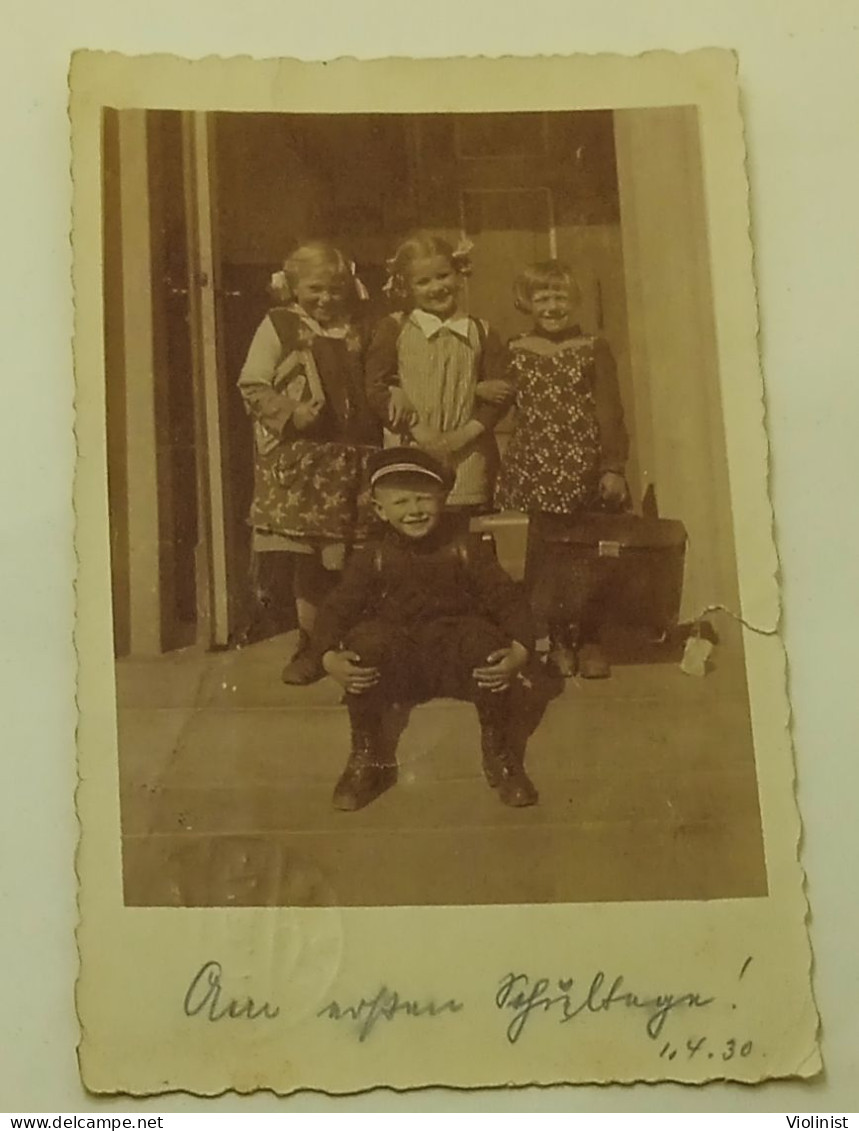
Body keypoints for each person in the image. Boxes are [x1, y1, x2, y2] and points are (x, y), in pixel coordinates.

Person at [306, 447, 539, 812]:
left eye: (423, 499)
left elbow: (508, 599)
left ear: (443, 499)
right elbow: (337, 609)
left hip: (455, 661)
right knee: (363, 644)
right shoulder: (372, 557)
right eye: (401, 502)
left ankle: (499, 750)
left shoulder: (467, 548)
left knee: (487, 645)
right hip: (398, 665)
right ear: (381, 510)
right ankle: (366, 754)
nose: (414, 511)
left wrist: (520, 652)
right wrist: (328, 657)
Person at [237, 240, 380, 684]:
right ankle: (312, 644)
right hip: (306, 462)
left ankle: (352, 640)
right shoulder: (279, 326)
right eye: (315, 289)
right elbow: (253, 385)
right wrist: (292, 411)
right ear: (293, 287)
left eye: (335, 289)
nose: (326, 299)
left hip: (356, 457)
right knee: (312, 562)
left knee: (354, 558)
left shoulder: (362, 327)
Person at [495, 260, 629, 679]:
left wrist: (612, 466)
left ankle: (589, 638)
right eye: (542, 297)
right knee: (548, 557)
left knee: (589, 555)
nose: (552, 306)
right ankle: (557, 641)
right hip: (537, 466)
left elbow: (610, 410)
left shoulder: (592, 347)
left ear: (573, 302)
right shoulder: (515, 349)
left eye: (560, 297)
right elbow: (495, 395)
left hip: (584, 465)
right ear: (527, 303)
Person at [364, 232, 511, 525]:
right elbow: (375, 386)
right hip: (412, 446)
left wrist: (462, 436)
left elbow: (500, 394)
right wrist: (419, 430)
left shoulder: (481, 331)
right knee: (416, 521)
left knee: (465, 532)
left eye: (443, 276)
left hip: (469, 453)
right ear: (407, 287)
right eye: (424, 282)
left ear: (459, 275)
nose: (436, 287)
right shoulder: (395, 327)